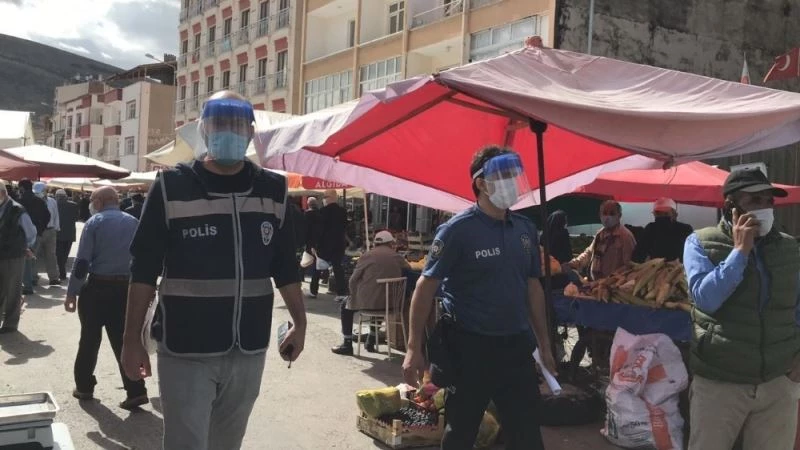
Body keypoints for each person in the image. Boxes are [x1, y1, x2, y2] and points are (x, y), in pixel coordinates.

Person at [121, 91, 307, 450]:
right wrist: (131, 341)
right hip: (186, 347)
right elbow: (143, 268)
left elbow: (285, 266)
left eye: (237, 124)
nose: (229, 132)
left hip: (249, 348)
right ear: (204, 130)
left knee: (228, 444)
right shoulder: (171, 187)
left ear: (250, 133)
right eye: (220, 123)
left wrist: (300, 322)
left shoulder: (273, 189)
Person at [402, 146, 557, 450]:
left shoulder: (525, 230)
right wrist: (412, 348)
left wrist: (545, 345)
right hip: (469, 348)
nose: (511, 181)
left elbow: (533, 288)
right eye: (502, 175)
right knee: (461, 432)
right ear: (481, 184)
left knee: (527, 434)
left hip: (515, 348)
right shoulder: (458, 230)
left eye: (514, 174)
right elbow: (425, 286)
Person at [683, 168, 800, 450]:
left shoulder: (790, 248)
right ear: (731, 207)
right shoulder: (700, 242)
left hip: (778, 381)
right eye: (754, 201)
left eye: (768, 201)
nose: (764, 209)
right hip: (720, 381)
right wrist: (739, 253)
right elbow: (706, 299)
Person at [63, 186, 148, 409]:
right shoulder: (132, 221)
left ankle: (84, 387)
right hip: (125, 291)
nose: (91, 204)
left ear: (99, 201)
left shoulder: (95, 222)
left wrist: (72, 292)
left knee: (89, 340)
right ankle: (136, 390)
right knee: (125, 339)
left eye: (92, 200)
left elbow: (82, 262)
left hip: (97, 288)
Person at [331, 230, 410, 355]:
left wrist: (353, 295)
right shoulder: (397, 257)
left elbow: (352, 280)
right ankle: (371, 339)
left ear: (375, 243)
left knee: (345, 306)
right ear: (390, 243)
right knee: (380, 302)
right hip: (392, 304)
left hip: (370, 303)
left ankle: (347, 343)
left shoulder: (367, 256)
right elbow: (408, 269)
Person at [564, 200, 636, 280]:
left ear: (619, 215)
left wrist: (611, 278)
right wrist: (574, 264)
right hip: (595, 284)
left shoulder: (625, 236)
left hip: (613, 285)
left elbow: (629, 265)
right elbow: (589, 253)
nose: (607, 217)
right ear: (600, 215)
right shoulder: (600, 234)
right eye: (604, 213)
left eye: (612, 213)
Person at [0, 182, 37, 334]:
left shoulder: (17, 209)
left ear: (2, 193)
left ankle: (10, 323)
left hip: (13, 255)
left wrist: (27, 247)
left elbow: (31, 231)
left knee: (12, 289)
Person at [313, 189, 348, 301]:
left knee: (318, 267)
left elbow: (319, 230)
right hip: (339, 244)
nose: (323, 200)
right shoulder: (343, 211)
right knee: (338, 268)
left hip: (325, 244)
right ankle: (342, 292)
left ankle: (314, 290)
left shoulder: (323, 211)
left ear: (329, 198)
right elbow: (344, 228)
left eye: (324, 197)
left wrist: (316, 243)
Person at [633, 197, 693, 262]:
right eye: (659, 213)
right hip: (676, 269)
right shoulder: (686, 229)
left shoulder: (651, 228)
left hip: (662, 269)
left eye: (666, 214)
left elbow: (638, 256)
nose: (662, 217)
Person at [17, 179, 50, 294]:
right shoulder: (40, 201)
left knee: (24, 261)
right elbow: (47, 216)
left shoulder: (19, 202)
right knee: (31, 259)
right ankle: (31, 280)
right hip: (37, 234)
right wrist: (41, 229)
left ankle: (27, 286)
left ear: (22, 188)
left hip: (22, 236)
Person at [33, 181, 61, 285]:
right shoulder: (34, 202)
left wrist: (56, 228)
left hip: (50, 231)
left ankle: (53, 278)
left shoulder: (52, 201)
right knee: (34, 256)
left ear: (45, 191)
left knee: (51, 255)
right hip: (37, 231)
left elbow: (56, 215)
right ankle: (33, 277)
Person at [55, 189, 78, 281]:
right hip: (70, 233)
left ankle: (62, 272)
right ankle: (62, 271)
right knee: (65, 254)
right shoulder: (74, 205)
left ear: (57, 196)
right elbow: (76, 218)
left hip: (58, 233)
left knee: (58, 254)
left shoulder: (55, 205)